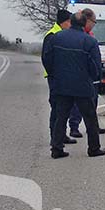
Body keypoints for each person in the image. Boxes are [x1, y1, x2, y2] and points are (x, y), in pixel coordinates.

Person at [42, 12, 105, 159]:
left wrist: (54, 74)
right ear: (84, 24)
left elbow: (47, 58)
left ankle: (57, 148)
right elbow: (96, 66)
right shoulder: (89, 41)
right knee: (90, 118)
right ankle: (94, 148)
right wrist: (93, 78)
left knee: (61, 117)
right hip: (83, 86)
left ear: (71, 22)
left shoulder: (56, 38)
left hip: (61, 84)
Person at [69, 7, 105, 137]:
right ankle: (74, 126)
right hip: (82, 76)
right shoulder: (81, 36)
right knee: (77, 103)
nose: (94, 25)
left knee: (92, 103)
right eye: (94, 22)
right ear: (88, 20)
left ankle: (93, 127)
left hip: (91, 77)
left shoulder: (90, 35)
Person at [43, 9, 76, 148]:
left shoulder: (61, 34)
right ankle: (54, 137)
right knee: (56, 107)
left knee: (65, 107)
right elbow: (46, 58)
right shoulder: (52, 35)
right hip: (55, 78)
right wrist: (54, 74)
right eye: (69, 22)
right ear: (64, 22)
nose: (71, 25)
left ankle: (62, 135)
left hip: (63, 77)